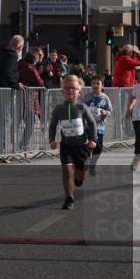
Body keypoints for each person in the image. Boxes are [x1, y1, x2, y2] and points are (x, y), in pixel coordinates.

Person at [47, 75, 98, 210]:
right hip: (66, 146)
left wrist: (93, 139)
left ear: (79, 91)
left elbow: (92, 123)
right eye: (67, 88)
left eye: (74, 88)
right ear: (62, 91)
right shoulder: (59, 109)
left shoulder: (82, 107)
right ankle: (69, 198)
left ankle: (79, 178)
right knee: (66, 170)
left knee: (81, 175)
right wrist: (52, 139)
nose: (70, 91)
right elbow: (52, 125)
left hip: (82, 146)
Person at [83, 77, 112, 176]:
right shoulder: (87, 97)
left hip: (100, 126)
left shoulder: (105, 97)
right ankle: (86, 161)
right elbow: (81, 109)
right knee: (89, 146)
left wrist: (105, 112)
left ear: (102, 85)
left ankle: (93, 164)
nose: (95, 85)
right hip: (88, 126)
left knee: (98, 148)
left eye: (97, 83)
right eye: (93, 83)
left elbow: (110, 110)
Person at [18, 50, 45, 149]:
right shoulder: (31, 68)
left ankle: (14, 144)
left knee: (17, 120)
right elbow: (40, 82)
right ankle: (23, 144)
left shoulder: (19, 65)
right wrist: (39, 73)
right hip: (29, 97)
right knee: (31, 121)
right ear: (35, 60)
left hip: (17, 96)